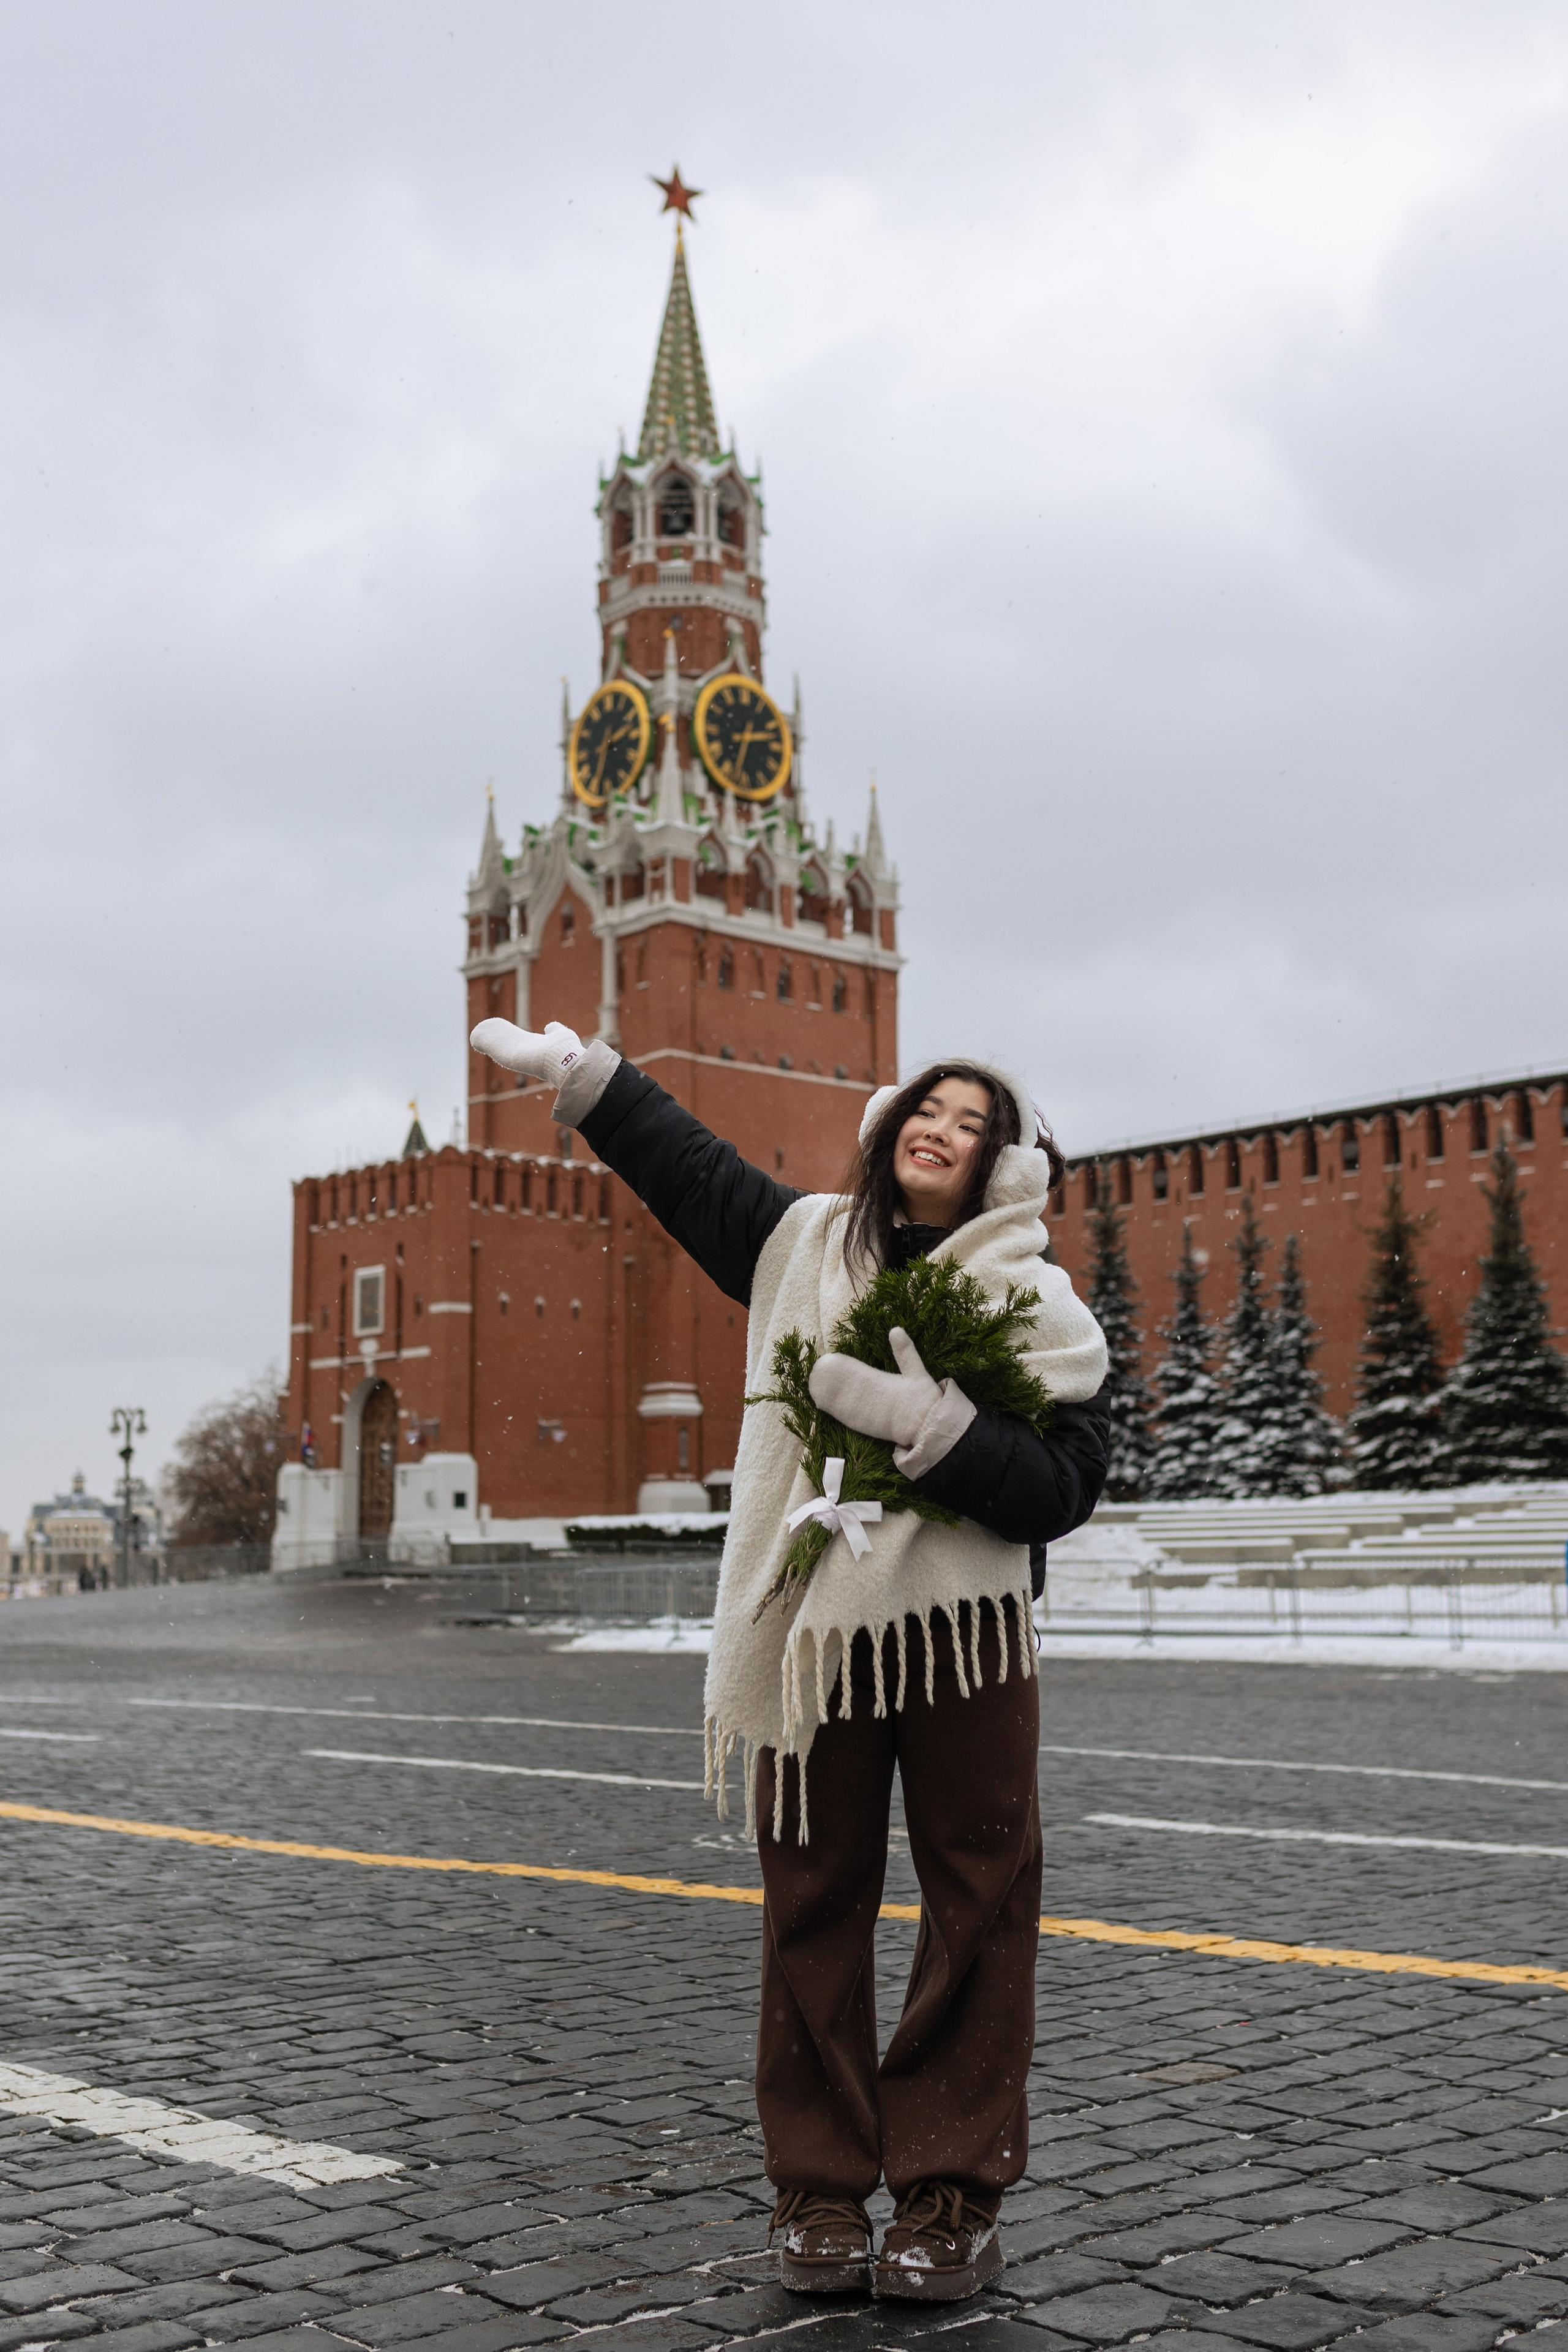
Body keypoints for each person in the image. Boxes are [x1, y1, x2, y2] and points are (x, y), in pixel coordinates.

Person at [471, 1015, 1110, 2303]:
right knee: (810, 1902)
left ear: (1006, 1168)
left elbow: (1060, 1488)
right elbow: (685, 1164)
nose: (943, 1127)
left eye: (975, 1122)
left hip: (961, 1639)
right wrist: (592, 1081)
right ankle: (816, 2187)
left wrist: (937, 1430)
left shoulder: (1032, 1298)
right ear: (888, 1130)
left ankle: (948, 2194)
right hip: (808, 1636)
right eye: (927, 1106)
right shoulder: (799, 1244)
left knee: (975, 1908)